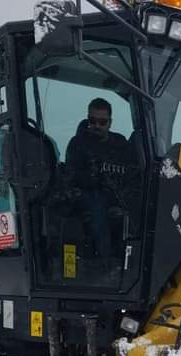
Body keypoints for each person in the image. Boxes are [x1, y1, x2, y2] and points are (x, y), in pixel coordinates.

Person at [64, 98, 138, 262]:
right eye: (92, 121)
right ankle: (106, 261)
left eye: (102, 122)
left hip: (117, 194)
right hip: (87, 194)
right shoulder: (78, 144)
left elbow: (132, 172)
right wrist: (93, 177)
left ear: (110, 122)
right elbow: (71, 176)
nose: (97, 125)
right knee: (98, 206)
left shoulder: (120, 144)